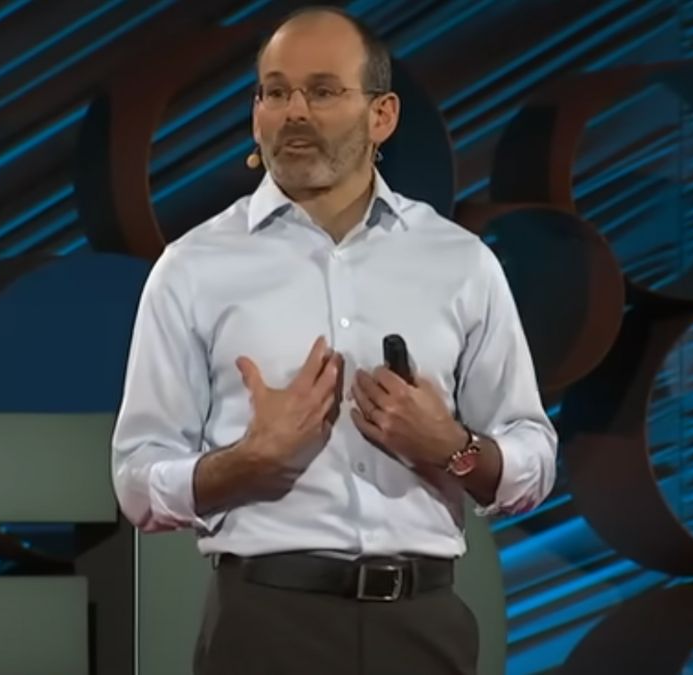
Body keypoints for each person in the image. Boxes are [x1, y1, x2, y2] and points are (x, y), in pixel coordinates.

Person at [110, 6, 557, 674]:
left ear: (382, 116)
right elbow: (137, 480)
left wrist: (452, 448)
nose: (294, 112)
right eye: (275, 92)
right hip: (265, 626)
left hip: (423, 626)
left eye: (322, 91)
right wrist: (247, 462)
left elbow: (533, 458)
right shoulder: (193, 268)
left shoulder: (460, 262)